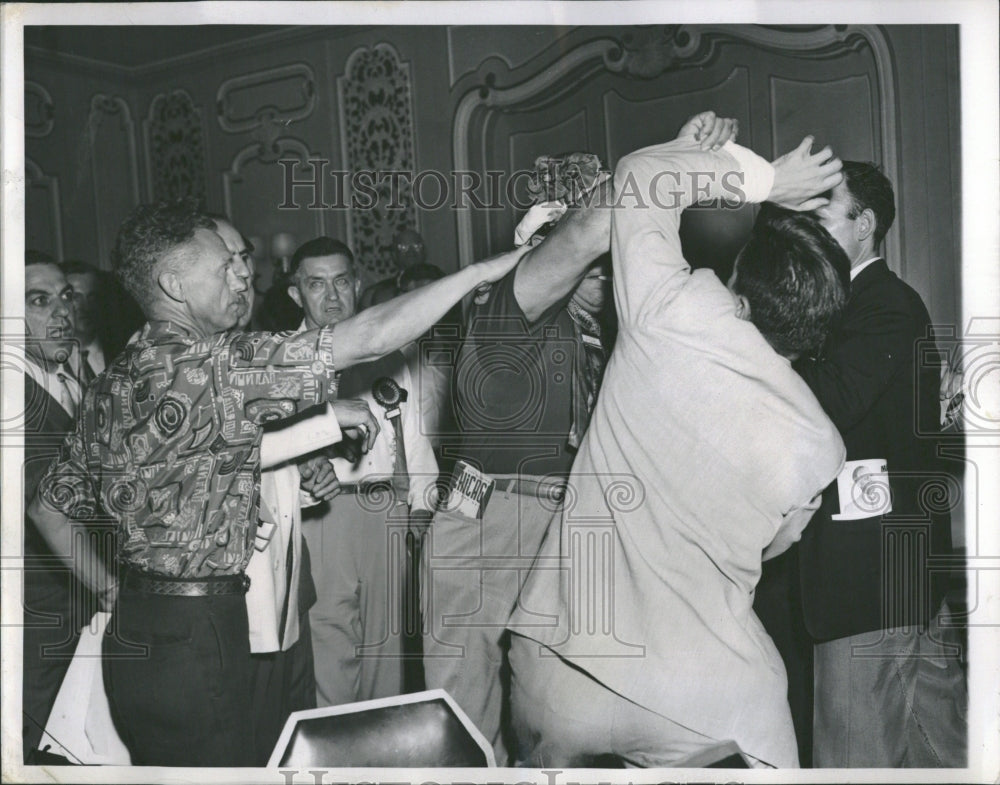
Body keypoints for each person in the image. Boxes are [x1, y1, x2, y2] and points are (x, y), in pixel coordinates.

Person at [26, 199, 528, 766]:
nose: (244, 274)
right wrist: (481, 271)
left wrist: (112, 590)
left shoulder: (113, 379)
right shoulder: (213, 366)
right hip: (201, 634)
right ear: (174, 284)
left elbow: (48, 508)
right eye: (224, 266)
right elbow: (368, 335)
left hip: (137, 630)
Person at [506, 113, 849, 768]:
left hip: (562, 664)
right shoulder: (820, 449)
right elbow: (772, 544)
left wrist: (761, 178)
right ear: (817, 333)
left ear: (740, 291)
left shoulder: (674, 308)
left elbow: (639, 177)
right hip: (703, 690)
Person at [421, 152, 613, 764]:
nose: (600, 272)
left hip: (563, 521)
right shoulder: (510, 306)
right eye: (584, 259)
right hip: (491, 516)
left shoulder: (600, 338)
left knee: (555, 704)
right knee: (463, 710)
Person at [795, 162, 967, 767]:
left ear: (863, 225)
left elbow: (829, 403)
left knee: (853, 762)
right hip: (890, 580)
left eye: (819, 216)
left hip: (868, 582)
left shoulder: (884, 305)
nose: (805, 229)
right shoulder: (859, 306)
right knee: (937, 755)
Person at [286, 236, 440, 705]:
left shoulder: (389, 352)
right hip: (320, 514)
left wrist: (421, 510)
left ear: (356, 284)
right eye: (316, 284)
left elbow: (414, 437)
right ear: (296, 293)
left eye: (340, 282)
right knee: (328, 648)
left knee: (388, 657)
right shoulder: (279, 359)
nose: (331, 296)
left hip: (386, 513)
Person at [20, 251, 90, 762]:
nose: (60, 312)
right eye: (38, 301)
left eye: (65, 297)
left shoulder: (72, 378)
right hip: (35, 611)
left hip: (73, 602)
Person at [60, 260, 108, 383]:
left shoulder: (119, 350)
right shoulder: (48, 355)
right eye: (75, 297)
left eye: (93, 297)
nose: (86, 306)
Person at [359, 227, 428, 309]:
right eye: (403, 247)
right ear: (394, 255)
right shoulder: (375, 293)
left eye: (417, 246)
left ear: (424, 252)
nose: (411, 252)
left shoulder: (441, 284)